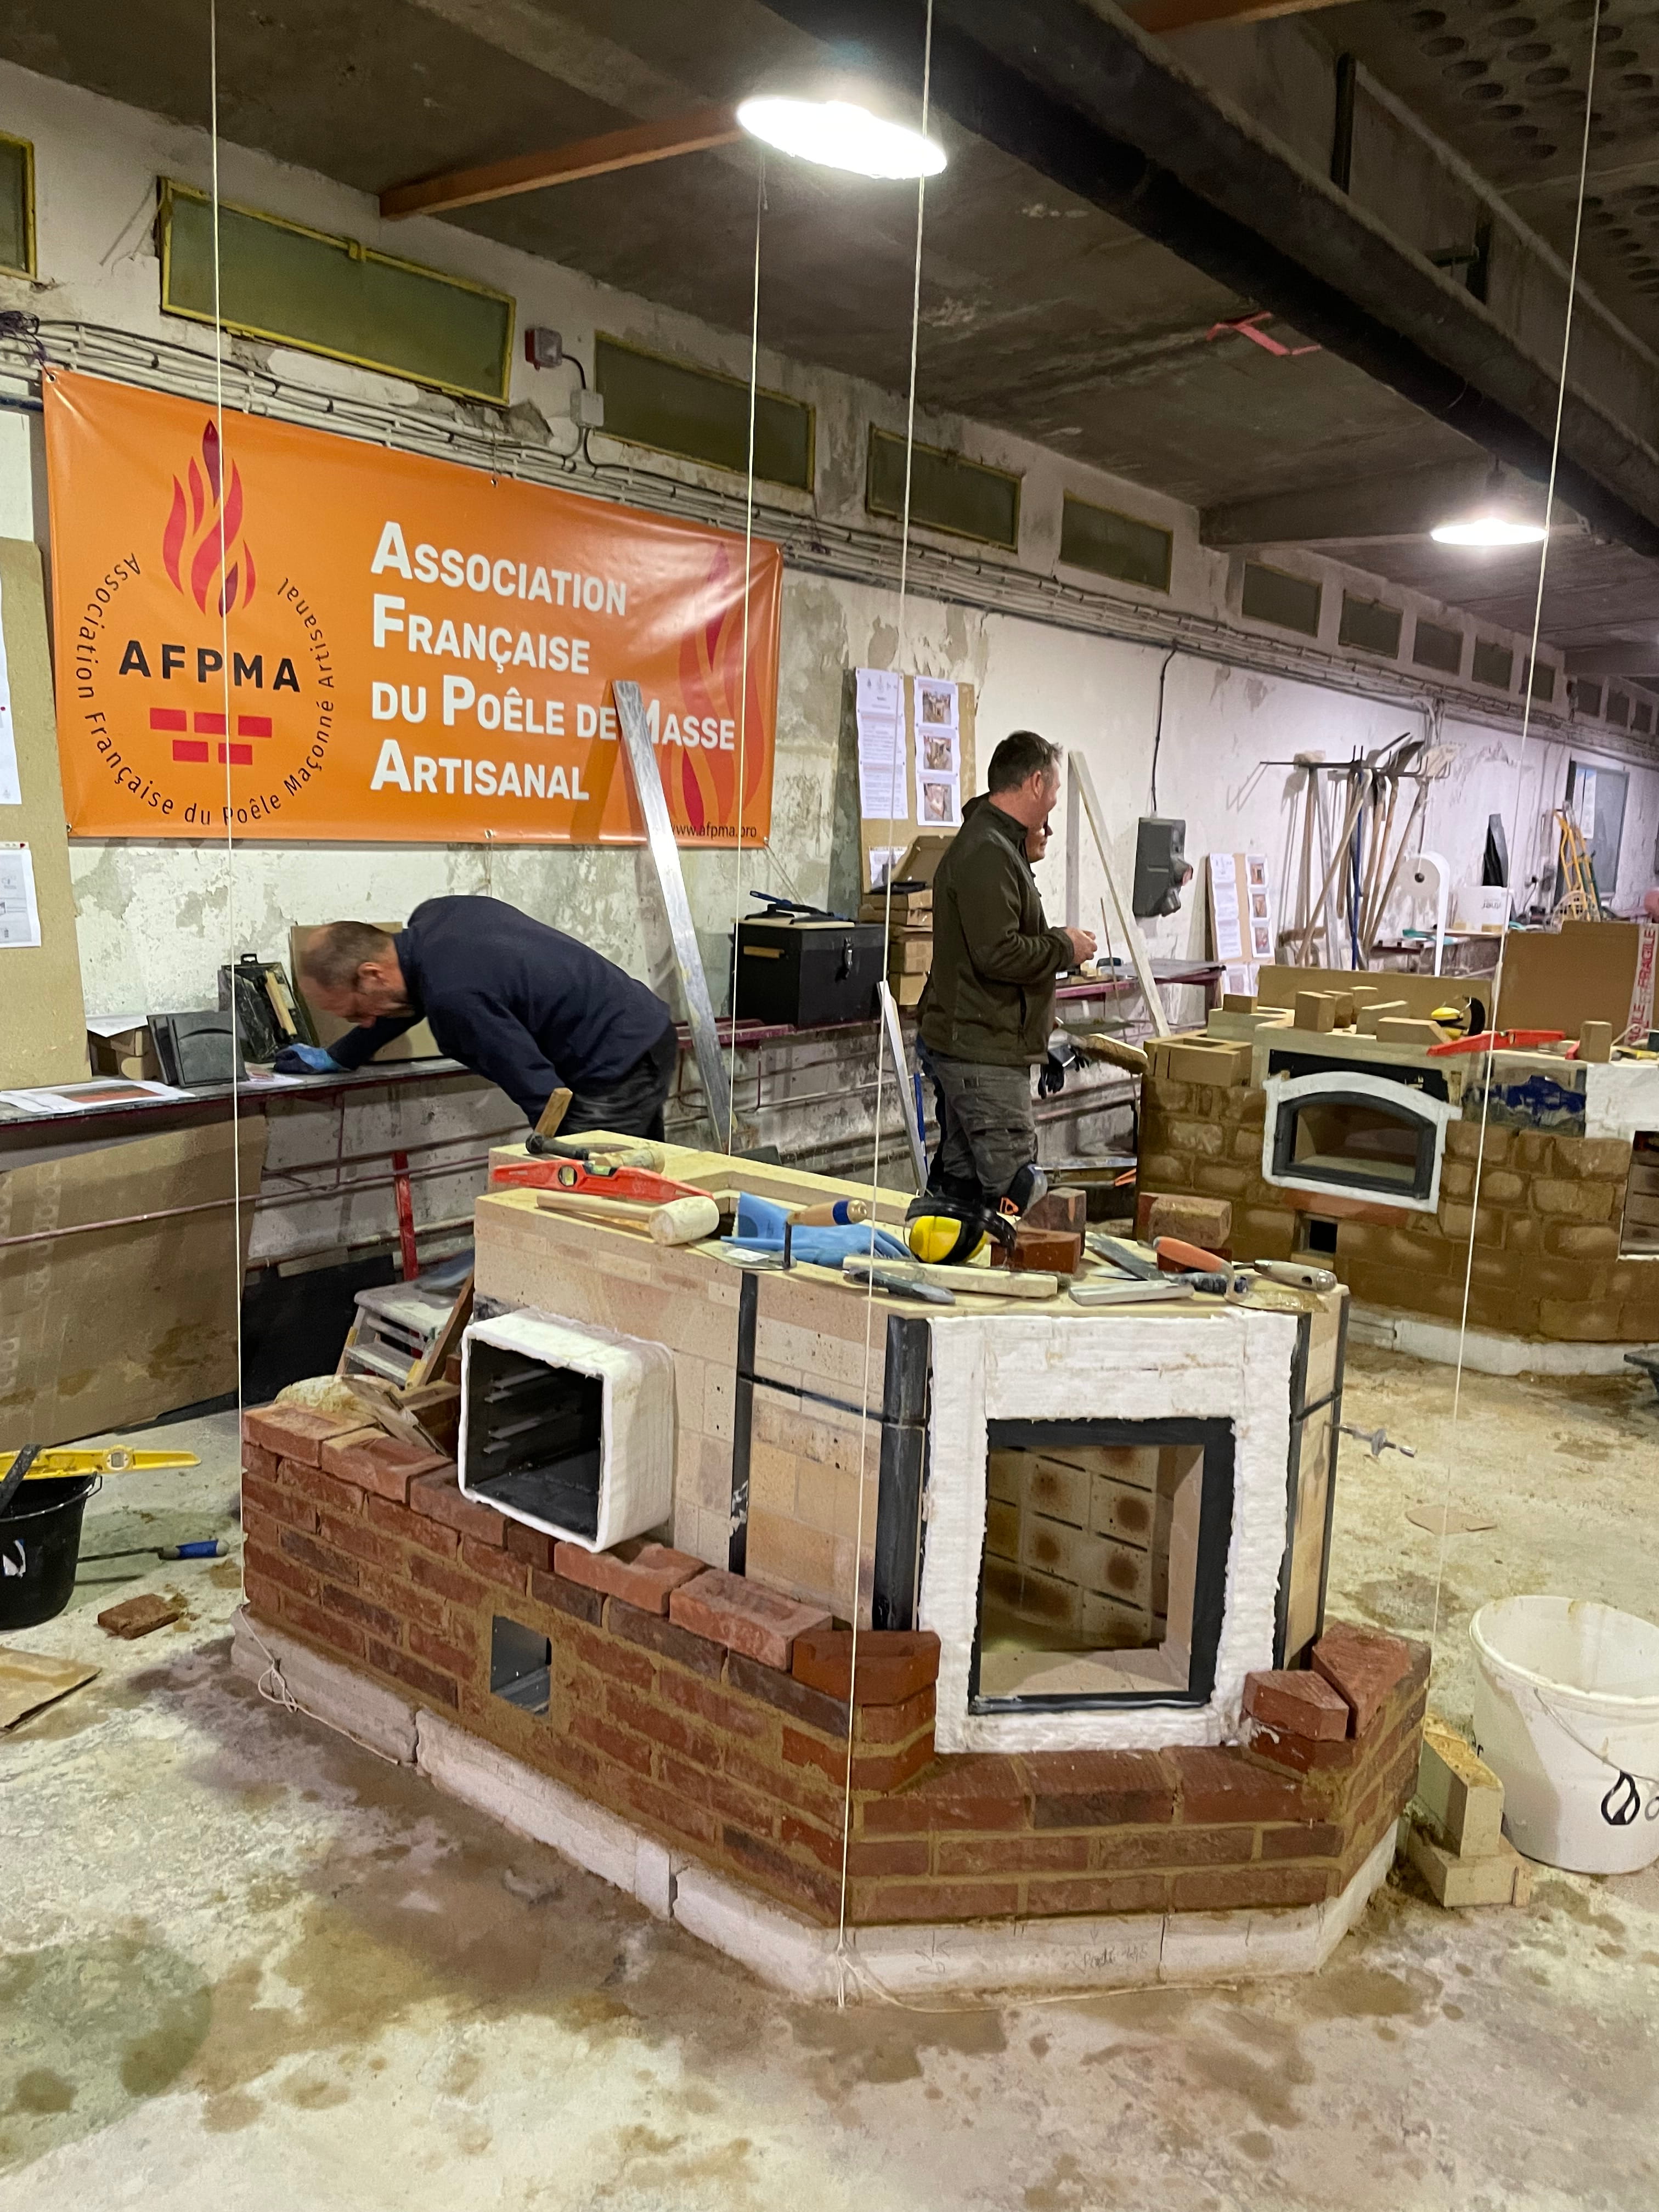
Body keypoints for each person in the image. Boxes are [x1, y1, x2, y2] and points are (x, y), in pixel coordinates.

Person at [910, 731, 1095, 1261]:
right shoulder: (988, 852)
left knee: (962, 1190)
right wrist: (1065, 947)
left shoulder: (995, 845)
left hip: (978, 1046)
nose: (1053, 803)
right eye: (1053, 790)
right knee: (1019, 1189)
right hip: (983, 1054)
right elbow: (998, 953)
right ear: (1036, 782)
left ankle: (951, 1283)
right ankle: (1025, 1289)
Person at [275, 895, 678, 1138]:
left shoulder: (455, 1001)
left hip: (617, 1064)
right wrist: (341, 1055)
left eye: (357, 1013)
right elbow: (412, 993)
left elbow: (541, 1093)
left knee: (597, 1200)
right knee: (638, 1185)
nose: (366, 1022)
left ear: (372, 974)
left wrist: (558, 1158)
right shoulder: (437, 916)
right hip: (638, 1026)